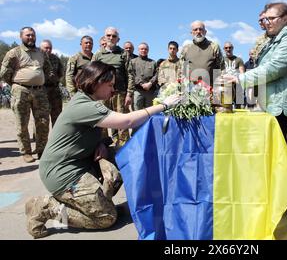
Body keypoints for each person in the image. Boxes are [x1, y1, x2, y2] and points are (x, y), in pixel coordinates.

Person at [24, 61, 180, 239]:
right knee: (106, 219)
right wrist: (164, 105)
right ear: (96, 81)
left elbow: (85, 132)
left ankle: (97, 201)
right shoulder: (85, 105)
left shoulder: (88, 101)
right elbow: (126, 121)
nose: (113, 90)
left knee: (125, 155)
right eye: (110, 85)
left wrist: (101, 144)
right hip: (63, 174)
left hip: (79, 164)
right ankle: (47, 207)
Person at [224, 2, 287, 207]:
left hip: (282, 103)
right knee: (273, 152)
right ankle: (280, 193)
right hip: (270, 102)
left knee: (285, 152)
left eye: (271, 18)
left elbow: (274, 68)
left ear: (285, 18)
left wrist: (240, 79)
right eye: (265, 19)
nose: (266, 22)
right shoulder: (273, 40)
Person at [0, 27, 53, 163]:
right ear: (21, 36)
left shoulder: (41, 53)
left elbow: (47, 70)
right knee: (21, 123)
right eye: (28, 35)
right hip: (20, 91)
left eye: (33, 35)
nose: (31, 37)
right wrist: (18, 84)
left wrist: (38, 80)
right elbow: (4, 73)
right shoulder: (14, 53)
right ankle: (26, 152)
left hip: (40, 91)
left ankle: (42, 150)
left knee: (43, 122)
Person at [93, 27, 132, 147]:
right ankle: (102, 146)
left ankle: (123, 147)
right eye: (108, 35)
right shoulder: (98, 55)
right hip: (101, 94)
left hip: (119, 93)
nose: (111, 38)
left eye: (114, 36)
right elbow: (92, 74)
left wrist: (129, 93)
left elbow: (130, 74)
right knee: (102, 120)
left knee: (121, 121)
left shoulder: (123, 54)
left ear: (118, 39)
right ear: (104, 37)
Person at [180, 21, 225, 85]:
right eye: (195, 29)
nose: (198, 31)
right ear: (191, 33)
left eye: (200, 29)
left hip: (211, 90)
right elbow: (183, 71)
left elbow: (222, 69)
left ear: (205, 32)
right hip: (191, 90)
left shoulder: (214, 47)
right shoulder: (186, 49)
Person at [127, 43, 158, 112]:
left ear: (148, 50)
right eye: (142, 49)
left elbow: (156, 74)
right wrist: (141, 84)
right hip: (138, 91)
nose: (144, 50)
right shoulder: (133, 62)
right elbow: (131, 75)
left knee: (150, 112)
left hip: (150, 91)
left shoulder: (153, 62)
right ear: (138, 50)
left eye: (145, 49)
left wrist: (150, 83)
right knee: (137, 112)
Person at [40, 40, 64, 126]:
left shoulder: (56, 59)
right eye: (46, 48)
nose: (48, 50)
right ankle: (38, 137)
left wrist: (54, 79)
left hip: (55, 90)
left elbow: (61, 73)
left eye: (50, 48)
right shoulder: (37, 58)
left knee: (57, 115)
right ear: (41, 48)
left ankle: (56, 136)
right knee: (42, 116)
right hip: (42, 90)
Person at [223, 42, 245, 108]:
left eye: (230, 47)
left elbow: (242, 73)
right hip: (226, 86)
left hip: (237, 86)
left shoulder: (239, 60)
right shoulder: (221, 60)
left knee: (239, 106)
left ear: (232, 48)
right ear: (224, 49)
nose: (228, 49)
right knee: (227, 107)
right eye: (226, 48)